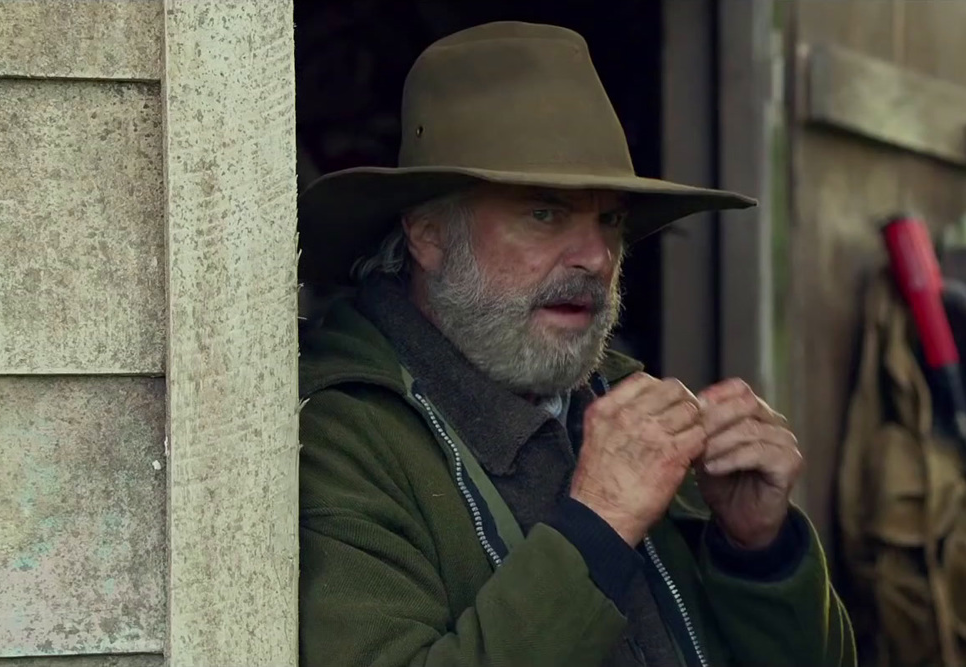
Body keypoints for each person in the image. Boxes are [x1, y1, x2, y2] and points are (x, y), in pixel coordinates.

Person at [294, 21, 855, 667]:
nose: (595, 256)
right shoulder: (339, 434)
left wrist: (758, 551)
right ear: (428, 235)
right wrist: (599, 524)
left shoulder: (623, 403)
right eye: (545, 213)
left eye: (610, 220)